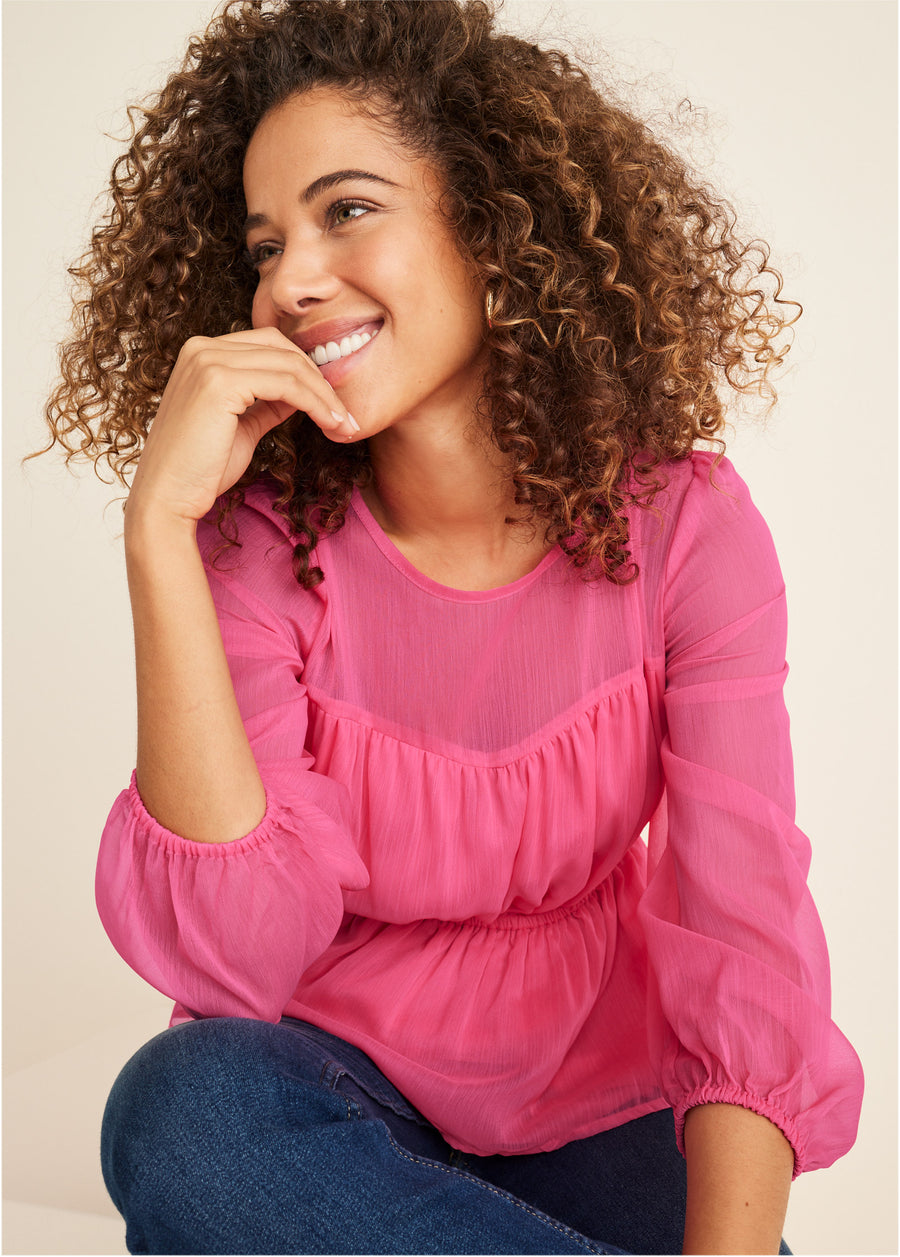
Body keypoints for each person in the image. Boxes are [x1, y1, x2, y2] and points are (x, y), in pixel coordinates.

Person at [42, 1, 863, 1252]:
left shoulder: (688, 529)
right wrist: (159, 529)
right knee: (185, 1120)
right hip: (324, 1095)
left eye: (346, 210)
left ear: (490, 224)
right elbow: (229, 963)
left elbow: (739, 932)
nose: (292, 280)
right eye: (263, 246)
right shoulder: (257, 545)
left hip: (608, 1104)